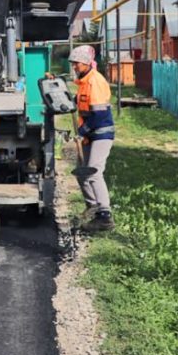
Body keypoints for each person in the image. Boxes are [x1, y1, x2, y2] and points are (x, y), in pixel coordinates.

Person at [70, 45, 116, 231]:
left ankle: (105, 216)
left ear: (86, 63)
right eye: (73, 64)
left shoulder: (95, 82)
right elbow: (80, 103)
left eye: (77, 64)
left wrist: (82, 131)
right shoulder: (83, 82)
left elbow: (99, 114)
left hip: (101, 133)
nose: (74, 67)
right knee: (82, 173)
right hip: (91, 133)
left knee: (95, 172)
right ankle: (92, 208)